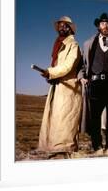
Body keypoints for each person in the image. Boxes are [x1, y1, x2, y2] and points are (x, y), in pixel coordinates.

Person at [78, 13, 108, 153]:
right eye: (103, 23)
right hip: (94, 84)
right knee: (94, 117)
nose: (105, 26)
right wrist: (82, 77)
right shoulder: (88, 44)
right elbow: (81, 65)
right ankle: (97, 146)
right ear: (99, 26)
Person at [38, 16, 82, 159]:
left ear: (70, 28)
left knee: (66, 118)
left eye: (64, 25)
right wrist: (50, 74)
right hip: (58, 84)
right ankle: (54, 149)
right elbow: (57, 65)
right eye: (60, 25)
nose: (61, 27)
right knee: (56, 117)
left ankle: (65, 150)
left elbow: (68, 66)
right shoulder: (58, 44)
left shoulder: (73, 45)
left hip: (69, 87)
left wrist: (50, 72)